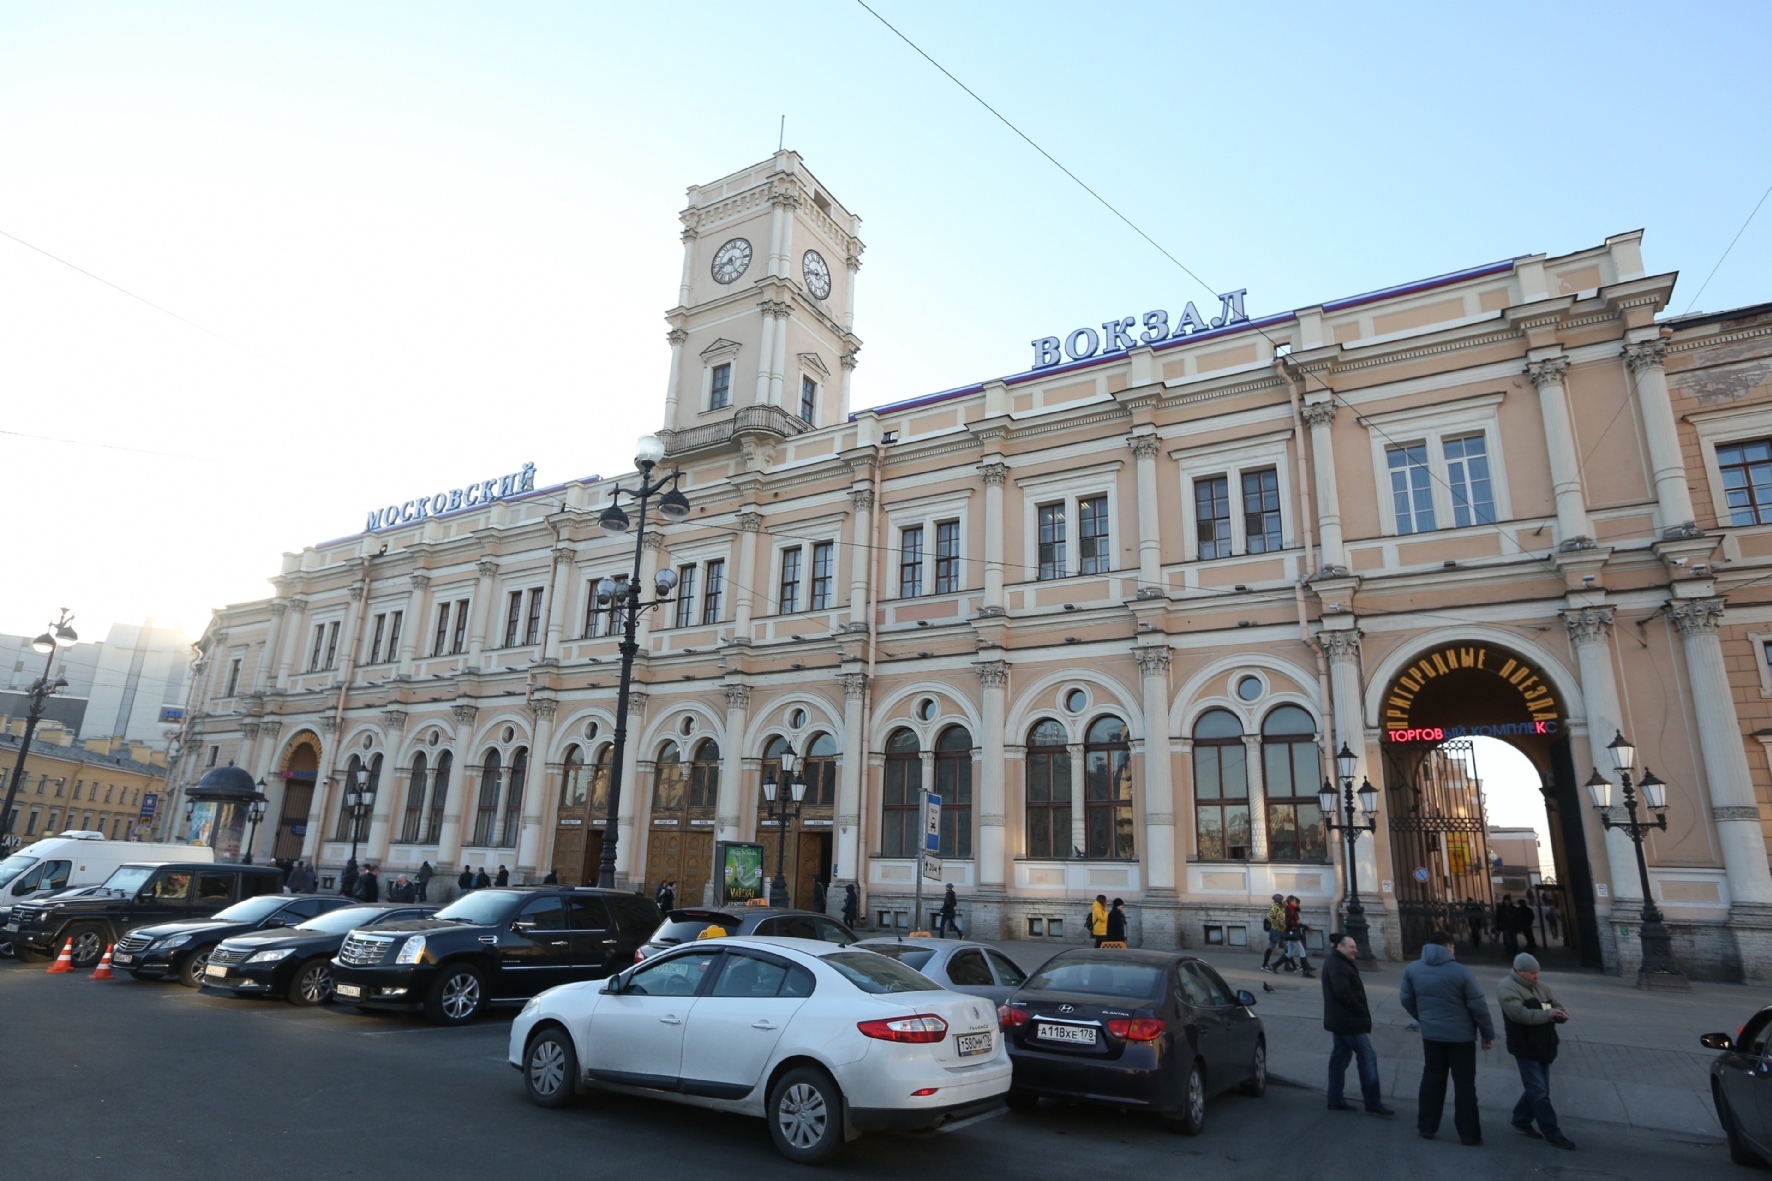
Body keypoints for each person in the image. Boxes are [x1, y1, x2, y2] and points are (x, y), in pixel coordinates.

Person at [1400, 929, 1496, 1146]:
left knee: (1432, 1079)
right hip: (1461, 1038)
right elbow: (1479, 1006)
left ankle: (1427, 1126)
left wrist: (1423, 1017)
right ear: (1449, 947)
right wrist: (1487, 1034)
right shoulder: (1462, 972)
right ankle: (1469, 1134)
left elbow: (1406, 998)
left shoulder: (1413, 968)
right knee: (1464, 1085)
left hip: (1432, 1035)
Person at [1498, 953, 1574, 1149]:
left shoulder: (1540, 988)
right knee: (1539, 1091)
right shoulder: (1507, 987)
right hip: (1525, 1046)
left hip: (1544, 1045)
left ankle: (1521, 1118)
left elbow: (1552, 1004)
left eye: (1537, 973)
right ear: (1520, 971)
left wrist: (1559, 1014)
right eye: (1532, 973)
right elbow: (1519, 1014)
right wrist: (1547, 1014)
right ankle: (1552, 1132)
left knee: (1540, 1089)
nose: (1536, 976)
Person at [1322, 931, 1393, 1116]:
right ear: (1340, 947)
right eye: (1351, 947)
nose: (1355, 950)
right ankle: (1373, 1102)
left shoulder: (1340, 962)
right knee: (1367, 1056)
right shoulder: (1338, 965)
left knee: (1339, 1058)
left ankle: (1335, 1099)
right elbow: (1343, 993)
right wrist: (1360, 1010)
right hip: (1348, 1021)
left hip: (1340, 1019)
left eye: (1355, 946)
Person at [1283, 895, 1314, 977]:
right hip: (1292, 933)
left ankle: (1275, 965)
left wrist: (1305, 926)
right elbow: (1289, 922)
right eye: (1296, 902)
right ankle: (1306, 971)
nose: (1297, 905)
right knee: (1301, 952)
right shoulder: (1290, 910)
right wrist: (1300, 925)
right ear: (1292, 902)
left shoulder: (1293, 910)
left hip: (1292, 933)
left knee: (1289, 953)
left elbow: (1297, 923)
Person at [1262, 893, 1287, 972]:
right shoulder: (1275, 908)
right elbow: (1277, 919)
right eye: (1282, 899)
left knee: (1287, 947)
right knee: (1271, 946)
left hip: (1279, 929)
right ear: (1279, 900)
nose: (1284, 901)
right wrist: (1284, 926)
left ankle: (1290, 965)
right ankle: (1264, 965)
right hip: (1276, 930)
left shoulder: (1279, 907)